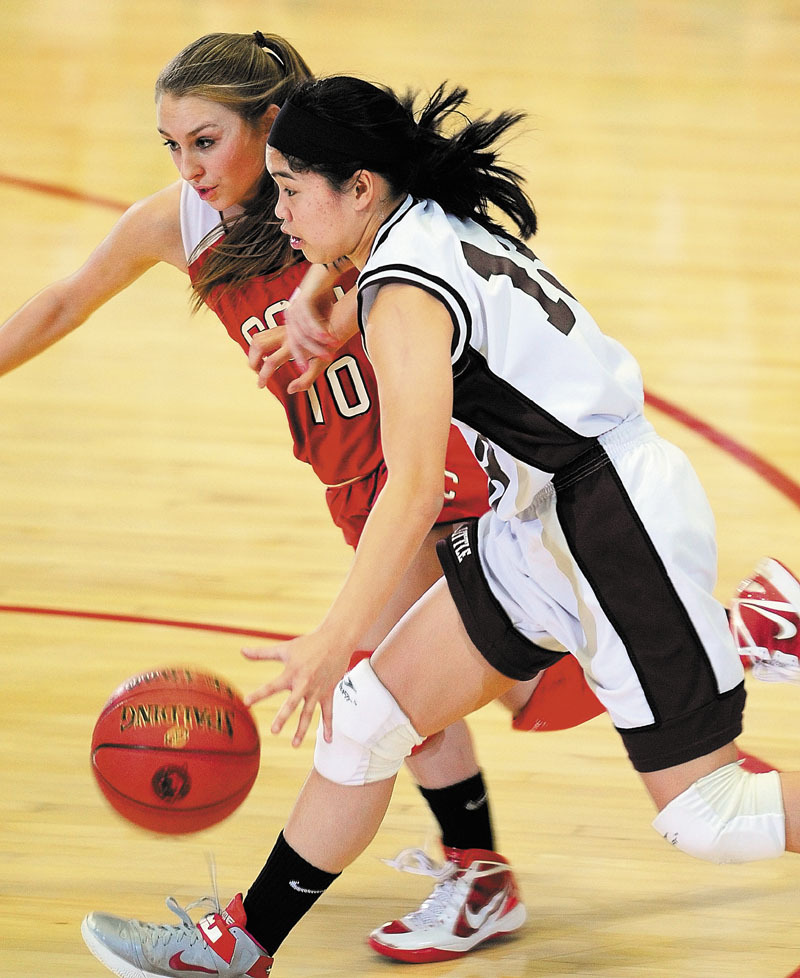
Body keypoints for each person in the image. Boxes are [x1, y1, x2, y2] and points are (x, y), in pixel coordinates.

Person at [78, 74, 800, 977]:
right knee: (366, 716)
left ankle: (749, 627)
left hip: (612, 519)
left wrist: (333, 633)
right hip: (550, 519)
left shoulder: (401, 290)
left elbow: (414, 490)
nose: (285, 218)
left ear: (360, 188)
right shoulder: (419, 223)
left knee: (710, 815)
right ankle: (241, 946)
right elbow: (374, 284)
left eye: (294, 191)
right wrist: (320, 305)